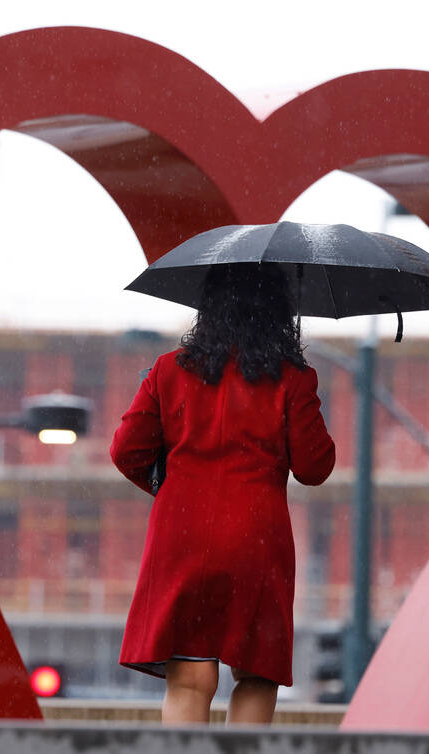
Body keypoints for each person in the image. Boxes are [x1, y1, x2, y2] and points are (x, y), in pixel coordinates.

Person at [110, 262, 336, 725]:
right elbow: (315, 468)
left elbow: (126, 450)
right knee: (256, 674)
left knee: (189, 679)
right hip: (257, 537)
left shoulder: (169, 370)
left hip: (181, 533)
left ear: (207, 308)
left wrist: (170, 489)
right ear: (278, 312)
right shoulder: (292, 377)